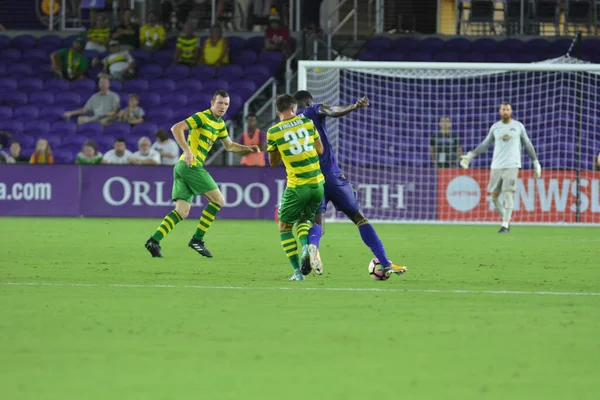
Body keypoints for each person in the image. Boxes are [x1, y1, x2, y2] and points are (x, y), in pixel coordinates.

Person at [293, 90, 408, 277]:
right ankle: (385, 262)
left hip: (311, 178)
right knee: (359, 218)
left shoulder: (289, 126)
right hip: (332, 175)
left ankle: (312, 246)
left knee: (318, 223)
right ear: (308, 102)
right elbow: (332, 111)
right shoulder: (313, 110)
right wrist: (353, 106)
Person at [144, 90, 261, 258]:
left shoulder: (220, 124)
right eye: (220, 103)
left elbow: (229, 146)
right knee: (218, 200)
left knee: (182, 212)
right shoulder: (202, 117)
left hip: (183, 167)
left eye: (226, 104)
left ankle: (153, 241)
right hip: (191, 166)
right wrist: (187, 150)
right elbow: (176, 128)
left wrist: (247, 148)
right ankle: (197, 240)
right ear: (212, 103)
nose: (223, 107)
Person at [267, 94, 325, 281]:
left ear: (278, 112)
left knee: (284, 226)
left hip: (297, 186)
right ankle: (306, 248)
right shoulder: (308, 124)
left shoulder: (273, 132)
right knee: (304, 221)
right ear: (293, 109)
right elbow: (320, 150)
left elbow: (273, 161)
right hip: (318, 185)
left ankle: (298, 272)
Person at [460, 103, 542, 233]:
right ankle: (506, 219)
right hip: (497, 165)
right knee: (494, 196)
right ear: (500, 111)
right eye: (503, 109)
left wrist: (535, 162)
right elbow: (485, 143)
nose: (505, 111)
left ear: (511, 111)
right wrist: (471, 155)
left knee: (508, 193)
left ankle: (505, 225)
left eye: (508, 109)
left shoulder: (518, 126)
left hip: (512, 165)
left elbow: (527, 144)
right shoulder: (495, 127)